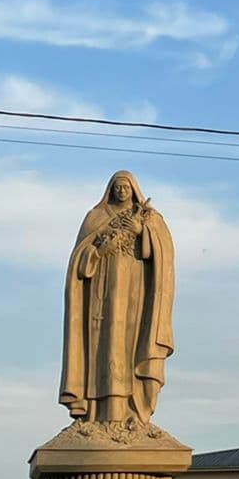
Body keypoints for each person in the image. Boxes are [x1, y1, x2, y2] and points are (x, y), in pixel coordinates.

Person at [58, 170, 175, 425]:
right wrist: (99, 250)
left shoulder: (149, 217)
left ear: (134, 190)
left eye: (126, 187)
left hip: (136, 294)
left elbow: (164, 253)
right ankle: (98, 413)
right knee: (104, 347)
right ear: (110, 189)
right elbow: (79, 261)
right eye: (117, 187)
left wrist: (142, 231)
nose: (121, 191)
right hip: (101, 295)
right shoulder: (96, 217)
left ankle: (130, 411)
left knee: (128, 347)